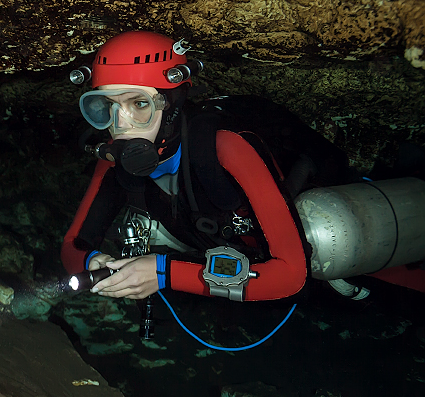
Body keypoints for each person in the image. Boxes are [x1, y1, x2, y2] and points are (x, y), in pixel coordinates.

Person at [62, 30, 344, 303]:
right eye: (106, 106)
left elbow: (291, 275)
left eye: (138, 103)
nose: (121, 125)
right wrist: (92, 261)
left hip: (337, 244)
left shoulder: (227, 148)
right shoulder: (113, 162)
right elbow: (72, 249)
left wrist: (164, 273)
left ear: (172, 105)